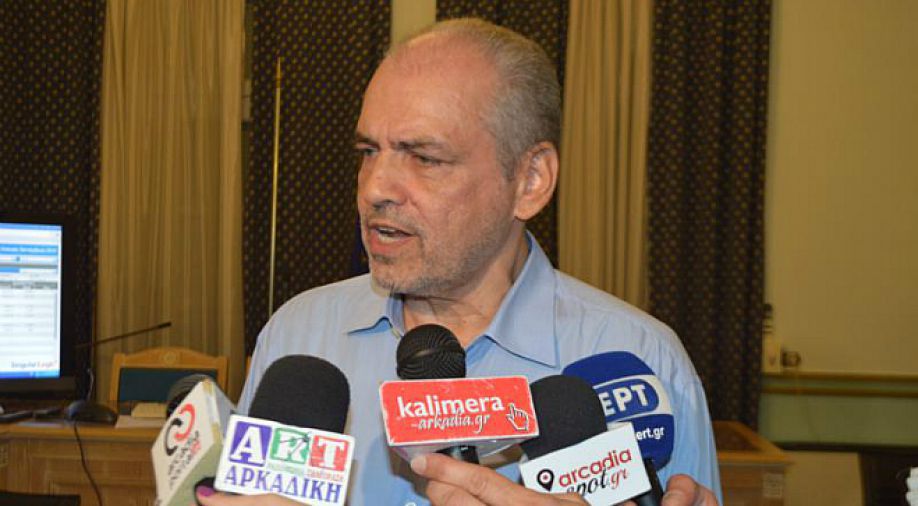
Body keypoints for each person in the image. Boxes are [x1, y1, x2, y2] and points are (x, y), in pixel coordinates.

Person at [199, 18, 721, 506]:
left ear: (531, 180)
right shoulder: (298, 338)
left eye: (424, 158)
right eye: (368, 152)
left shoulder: (642, 358)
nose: (375, 188)